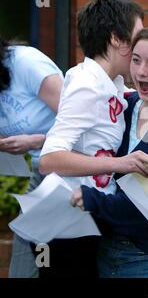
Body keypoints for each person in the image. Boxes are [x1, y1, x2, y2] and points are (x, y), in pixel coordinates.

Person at [37, 0, 148, 278]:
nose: (143, 45)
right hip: (67, 224)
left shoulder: (112, 84)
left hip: (88, 219)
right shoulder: (87, 84)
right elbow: (49, 159)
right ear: (117, 38)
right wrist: (118, 163)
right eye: (138, 36)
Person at [70, 23, 148, 278]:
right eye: (136, 60)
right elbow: (84, 139)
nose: (141, 71)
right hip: (105, 253)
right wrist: (39, 141)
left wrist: (92, 199)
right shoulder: (122, 106)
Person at [0, 36, 63, 278]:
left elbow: (83, 122)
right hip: (38, 173)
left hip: (69, 171)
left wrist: (36, 140)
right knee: (23, 266)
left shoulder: (26, 63)